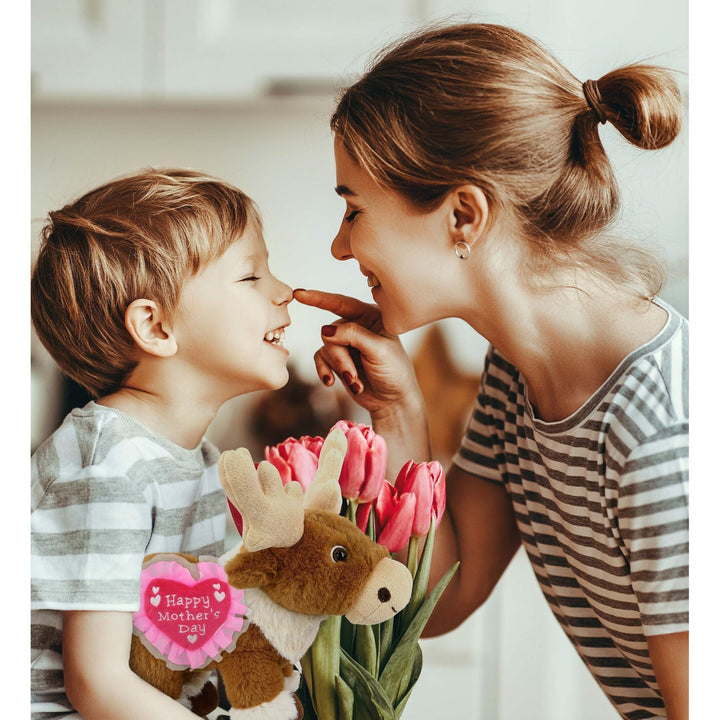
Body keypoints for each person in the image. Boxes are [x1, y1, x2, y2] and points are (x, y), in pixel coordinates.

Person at [295, 23, 688, 720]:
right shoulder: (517, 374)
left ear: (463, 215)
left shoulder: (661, 428)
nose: (338, 243)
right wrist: (399, 413)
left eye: (354, 210)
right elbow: (442, 594)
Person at [31, 168, 294, 719]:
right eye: (251, 277)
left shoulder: (196, 460)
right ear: (155, 327)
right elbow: (96, 683)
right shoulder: (109, 466)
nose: (283, 291)